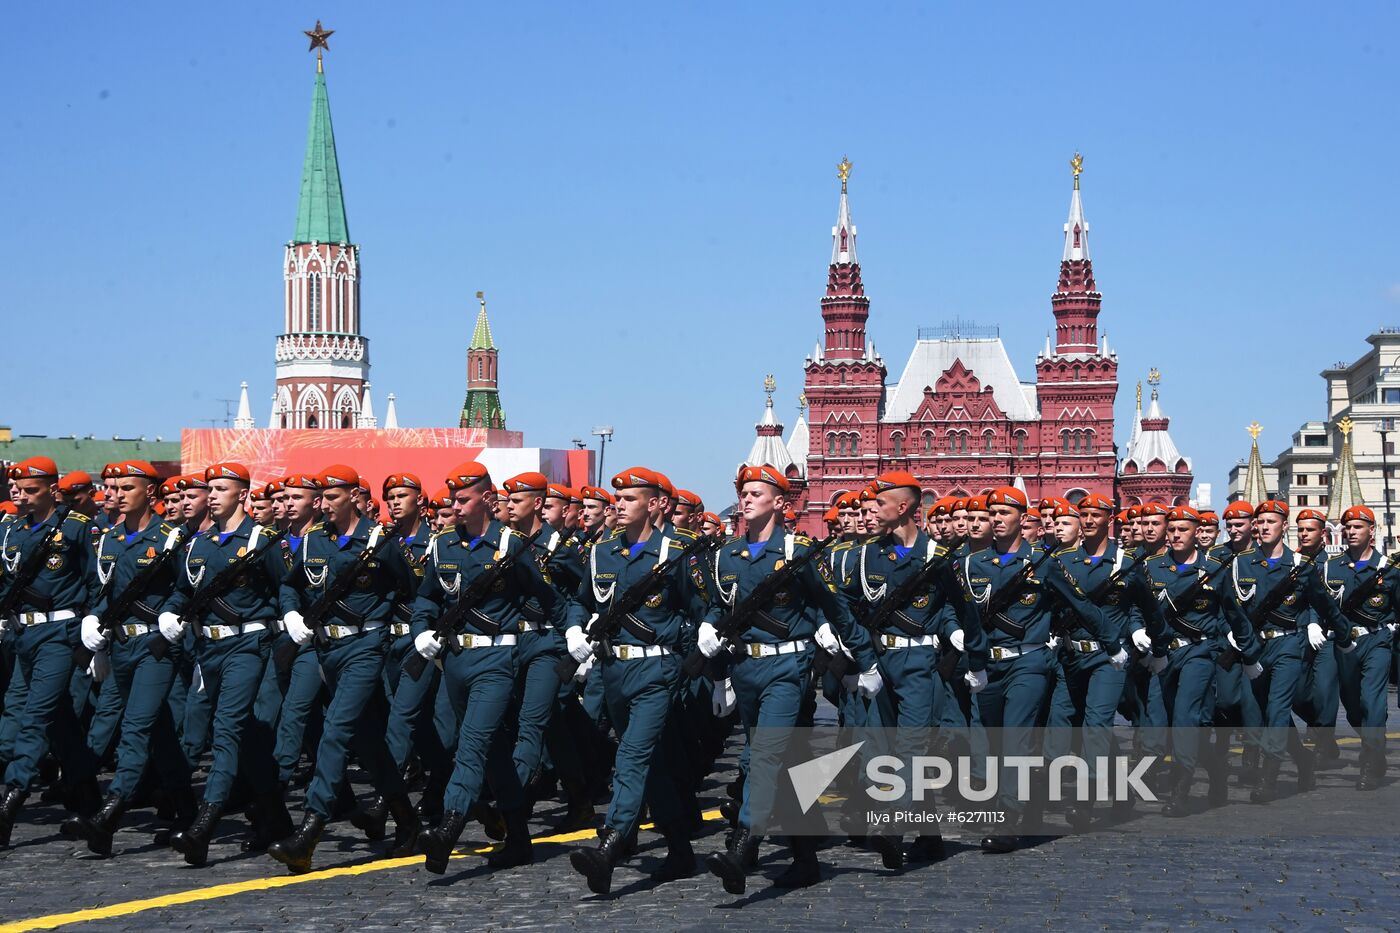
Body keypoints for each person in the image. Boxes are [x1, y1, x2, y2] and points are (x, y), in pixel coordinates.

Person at [701, 465, 880, 892]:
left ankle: (743, 846)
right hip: (745, 668)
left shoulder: (799, 550)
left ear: (780, 503)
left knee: (763, 755)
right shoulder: (726, 555)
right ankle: (804, 858)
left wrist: (865, 661)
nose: (746, 499)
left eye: (756, 493)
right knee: (783, 764)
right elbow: (718, 606)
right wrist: (712, 642)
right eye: (743, 492)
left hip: (788, 668)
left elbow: (834, 609)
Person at [412, 461, 571, 875]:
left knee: (473, 744)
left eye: (463, 500)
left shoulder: (512, 545)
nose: (456, 507)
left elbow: (548, 597)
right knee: (496, 754)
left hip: (497, 660)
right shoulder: (444, 545)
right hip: (456, 662)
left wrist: (573, 637)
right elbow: (427, 596)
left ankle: (448, 826)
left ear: (485, 499)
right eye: (453, 500)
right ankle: (519, 838)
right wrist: (421, 630)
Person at [268, 464, 421, 873]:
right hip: (327, 650)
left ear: (354, 497)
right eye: (321, 498)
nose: (324, 505)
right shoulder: (314, 539)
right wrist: (291, 615)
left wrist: (400, 626)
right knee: (370, 742)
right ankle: (407, 821)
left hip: (366, 646)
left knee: (334, 732)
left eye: (332, 497)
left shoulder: (381, 540)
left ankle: (309, 833)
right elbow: (289, 584)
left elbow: (415, 587)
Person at [564, 468, 708, 895]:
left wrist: (710, 659)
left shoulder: (679, 550)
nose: (620, 505)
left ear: (654, 504)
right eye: (618, 498)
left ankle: (611, 843)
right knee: (652, 762)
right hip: (613, 672)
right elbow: (581, 600)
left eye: (629, 499)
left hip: (656, 670)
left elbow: (705, 606)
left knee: (631, 755)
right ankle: (680, 849)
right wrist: (575, 628)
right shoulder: (602, 551)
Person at [836, 471, 984, 866]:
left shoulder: (936, 556)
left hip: (919, 662)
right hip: (877, 661)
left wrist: (961, 640)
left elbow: (959, 607)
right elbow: (845, 604)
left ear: (903, 508)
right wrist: (847, 651)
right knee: (875, 750)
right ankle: (931, 834)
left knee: (911, 751)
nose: (871, 511)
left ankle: (892, 828)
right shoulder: (866, 553)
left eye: (879, 503)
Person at [161, 462, 292, 866]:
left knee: (228, 729)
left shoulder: (261, 539)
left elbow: (286, 586)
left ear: (241, 494)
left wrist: (289, 619)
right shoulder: (197, 545)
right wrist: (169, 611)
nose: (212, 495)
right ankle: (277, 820)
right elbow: (182, 591)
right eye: (210, 489)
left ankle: (205, 823)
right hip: (208, 649)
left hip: (248, 645)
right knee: (248, 739)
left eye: (221, 488)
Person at [963, 485, 1104, 851]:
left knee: (1015, 739)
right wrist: (962, 647)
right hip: (987, 667)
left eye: (1004, 514)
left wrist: (1115, 641)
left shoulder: (1043, 562)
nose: (996, 520)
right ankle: (1033, 794)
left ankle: (1008, 820)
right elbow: (955, 611)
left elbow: (1081, 603)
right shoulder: (971, 564)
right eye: (992, 514)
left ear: (1022, 519)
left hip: (1029, 662)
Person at [60, 461, 191, 856]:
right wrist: (94, 623)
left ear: (149, 493)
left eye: (126, 488)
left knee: (134, 727)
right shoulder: (108, 538)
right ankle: (186, 807)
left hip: (156, 646)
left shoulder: (172, 537)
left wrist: (171, 610)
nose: (115, 494)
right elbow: (102, 590)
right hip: (120, 646)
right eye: (112, 487)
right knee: (159, 732)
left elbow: (188, 587)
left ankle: (109, 815)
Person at [1043, 495, 1162, 828]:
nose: (1090, 519)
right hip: (1069, 653)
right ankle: (1122, 788)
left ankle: (1085, 798)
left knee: (1095, 724)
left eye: (1097, 514)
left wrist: (1158, 647)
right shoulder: (1063, 560)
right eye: (1085, 514)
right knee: (1062, 719)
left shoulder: (1126, 562)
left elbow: (1149, 609)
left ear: (1109, 519)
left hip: (1109, 657)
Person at [0, 457, 99, 847]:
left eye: (30, 490)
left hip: (60, 633)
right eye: (17, 489)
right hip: (24, 633)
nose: (21, 496)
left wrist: (95, 628)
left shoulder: (75, 528)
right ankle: (88, 795)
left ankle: (12, 799)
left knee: (36, 717)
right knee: (45, 718)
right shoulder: (13, 531)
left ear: (51, 490)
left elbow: (97, 581)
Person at [1228, 500, 1349, 802]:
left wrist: (1337, 631)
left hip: (1288, 644)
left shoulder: (1301, 566)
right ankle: (1303, 758)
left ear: (1284, 526)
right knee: (1259, 712)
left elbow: (1323, 604)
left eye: (1272, 521)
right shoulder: (1241, 563)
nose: (1265, 527)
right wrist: (1236, 638)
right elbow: (1230, 606)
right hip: (1254, 647)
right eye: (1261, 522)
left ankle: (1268, 777)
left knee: (1279, 708)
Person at [1143, 506, 1260, 816]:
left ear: (1197, 533)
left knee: (1185, 716)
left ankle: (1181, 789)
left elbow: (1233, 614)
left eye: (1183, 529)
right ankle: (1216, 767)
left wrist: (1249, 654)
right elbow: (1134, 608)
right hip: (1164, 655)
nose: (1176, 535)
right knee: (1167, 722)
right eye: (1173, 530)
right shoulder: (1152, 568)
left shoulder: (1215, 569)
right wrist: (1136, 632)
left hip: (1200, 652)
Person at [1323, 505, 1393, 790]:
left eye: (1358, 527)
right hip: (1345, 644)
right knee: (1353, 707)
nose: (1351, 532)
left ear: (1371, 531)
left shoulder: (1388, 568)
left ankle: (1371, 761)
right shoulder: (1331, 567)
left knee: (1372, 703)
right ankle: (1373, 744)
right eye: (1348, 528)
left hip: (1377, 640)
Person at [1291, 507, 1342, 764]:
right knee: (1297, 693)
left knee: (1324, 691)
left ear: (1323, 534)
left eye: (1309, 530)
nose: (1303, 534)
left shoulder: (1335, 563)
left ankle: (1324, 741)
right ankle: (1320, 728)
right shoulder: (1292, 561)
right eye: (1300, 530)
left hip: (1327, 637)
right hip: (1298, 636)